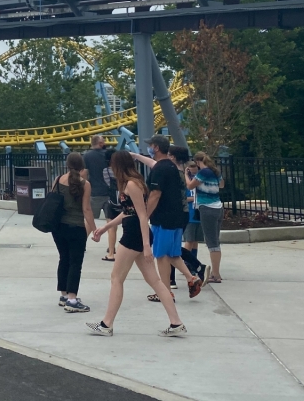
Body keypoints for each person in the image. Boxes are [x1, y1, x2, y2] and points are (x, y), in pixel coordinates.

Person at [87, 150, 187, 337]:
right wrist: (106, 227)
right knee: (154, 281)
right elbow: (128, 212)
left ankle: (106, 324)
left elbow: (142, 215)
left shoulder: (132, 184)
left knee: (117, 278)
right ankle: (176, 322)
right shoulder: (132, 182)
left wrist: (147, 246)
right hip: (136, 233)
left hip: (134, 234)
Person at [141, 136, 203, 302]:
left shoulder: (160, 169)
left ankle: (165, 292)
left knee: (161, 256)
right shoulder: (172, 167)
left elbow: (155, 194)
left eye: (150, 145)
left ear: (156, 147)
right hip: (179, 216)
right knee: (173, 253)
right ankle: (191, 278)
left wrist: (145, 215)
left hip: (163, 218)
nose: (149, 148)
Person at [52, 152, 96, 313]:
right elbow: (86, 209)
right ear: (82, 166)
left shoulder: (58, 180)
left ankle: (64, 295)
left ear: (67, 164)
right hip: (76, 227)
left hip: (58, 227)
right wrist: (94, 229)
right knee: (75, 263)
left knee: (63, 258)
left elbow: (52, 201)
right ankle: (72, 299)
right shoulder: (85, 184)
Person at [188, 151, 224, 283]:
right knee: (215, 240)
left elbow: (190, 185)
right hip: (218, 207)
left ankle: (216, 274)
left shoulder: (203, 172)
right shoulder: (215, 171)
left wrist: (187, 175)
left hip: (207, 208)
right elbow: (222, 185)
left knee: (212, 242)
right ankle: (215, 272)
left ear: (197, 162)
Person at [82, 135, 118, 261]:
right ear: (101, 143)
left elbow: (84, 173)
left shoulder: (87, 156)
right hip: (110, 193)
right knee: (111, 222)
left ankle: (81, 244)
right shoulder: (109, 155)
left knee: (89, 220)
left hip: (95, 192)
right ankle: (111, 250)